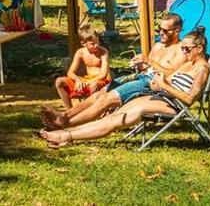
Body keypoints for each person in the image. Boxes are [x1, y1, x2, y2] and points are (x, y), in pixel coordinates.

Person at [40, 26, 210, 148]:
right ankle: (66, 131)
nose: (184, 52)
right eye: (183, 49)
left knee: (116, 121)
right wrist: (158, 83)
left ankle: (66, 136)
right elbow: (169, 79)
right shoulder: (188, 63)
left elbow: (190, 98)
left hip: (173, 104)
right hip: (161, 96)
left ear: (199, 48)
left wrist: (164, 85)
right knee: (115, 115)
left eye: (187, 49)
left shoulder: (201, 69)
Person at [41, 12, 186, 130]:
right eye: (159, 29)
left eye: (165, 30)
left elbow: (173, 73)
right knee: (100, 94)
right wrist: (141, 65)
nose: (161, 33)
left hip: (150, 84)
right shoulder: (158, 46)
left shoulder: (181, 50)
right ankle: (65, 115)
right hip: (139, 77)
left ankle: (65, 123)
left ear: (177, 31)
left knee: (107, 99)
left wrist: (149, 61)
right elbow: (148, 67)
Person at [54, 24, 111, 109]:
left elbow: (103, 74)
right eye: (92, 44)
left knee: (94, 85)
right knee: (59, 81)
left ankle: (92, 111)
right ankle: (69, 111)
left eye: (97, 42)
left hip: (101, 81)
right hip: (87, 79)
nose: (96, 45)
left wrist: (90, 82)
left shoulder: (103, 52)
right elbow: (70, 72)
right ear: (83, 43)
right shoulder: (80, 52)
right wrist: (78, 80)